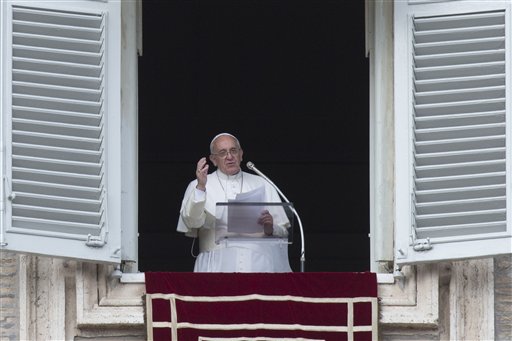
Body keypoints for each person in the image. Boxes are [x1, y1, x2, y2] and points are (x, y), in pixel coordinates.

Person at [177, 133, 292, 272]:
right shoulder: (198, 185)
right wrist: (201, 188)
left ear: (241, 154)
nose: (229, 157)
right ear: (213, 159)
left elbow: (283, 231)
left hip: (258, 265)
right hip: (215, 265)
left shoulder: (263, 183)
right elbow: (192, 222)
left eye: (233, 151)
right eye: (222, 153)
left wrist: (270, 227)